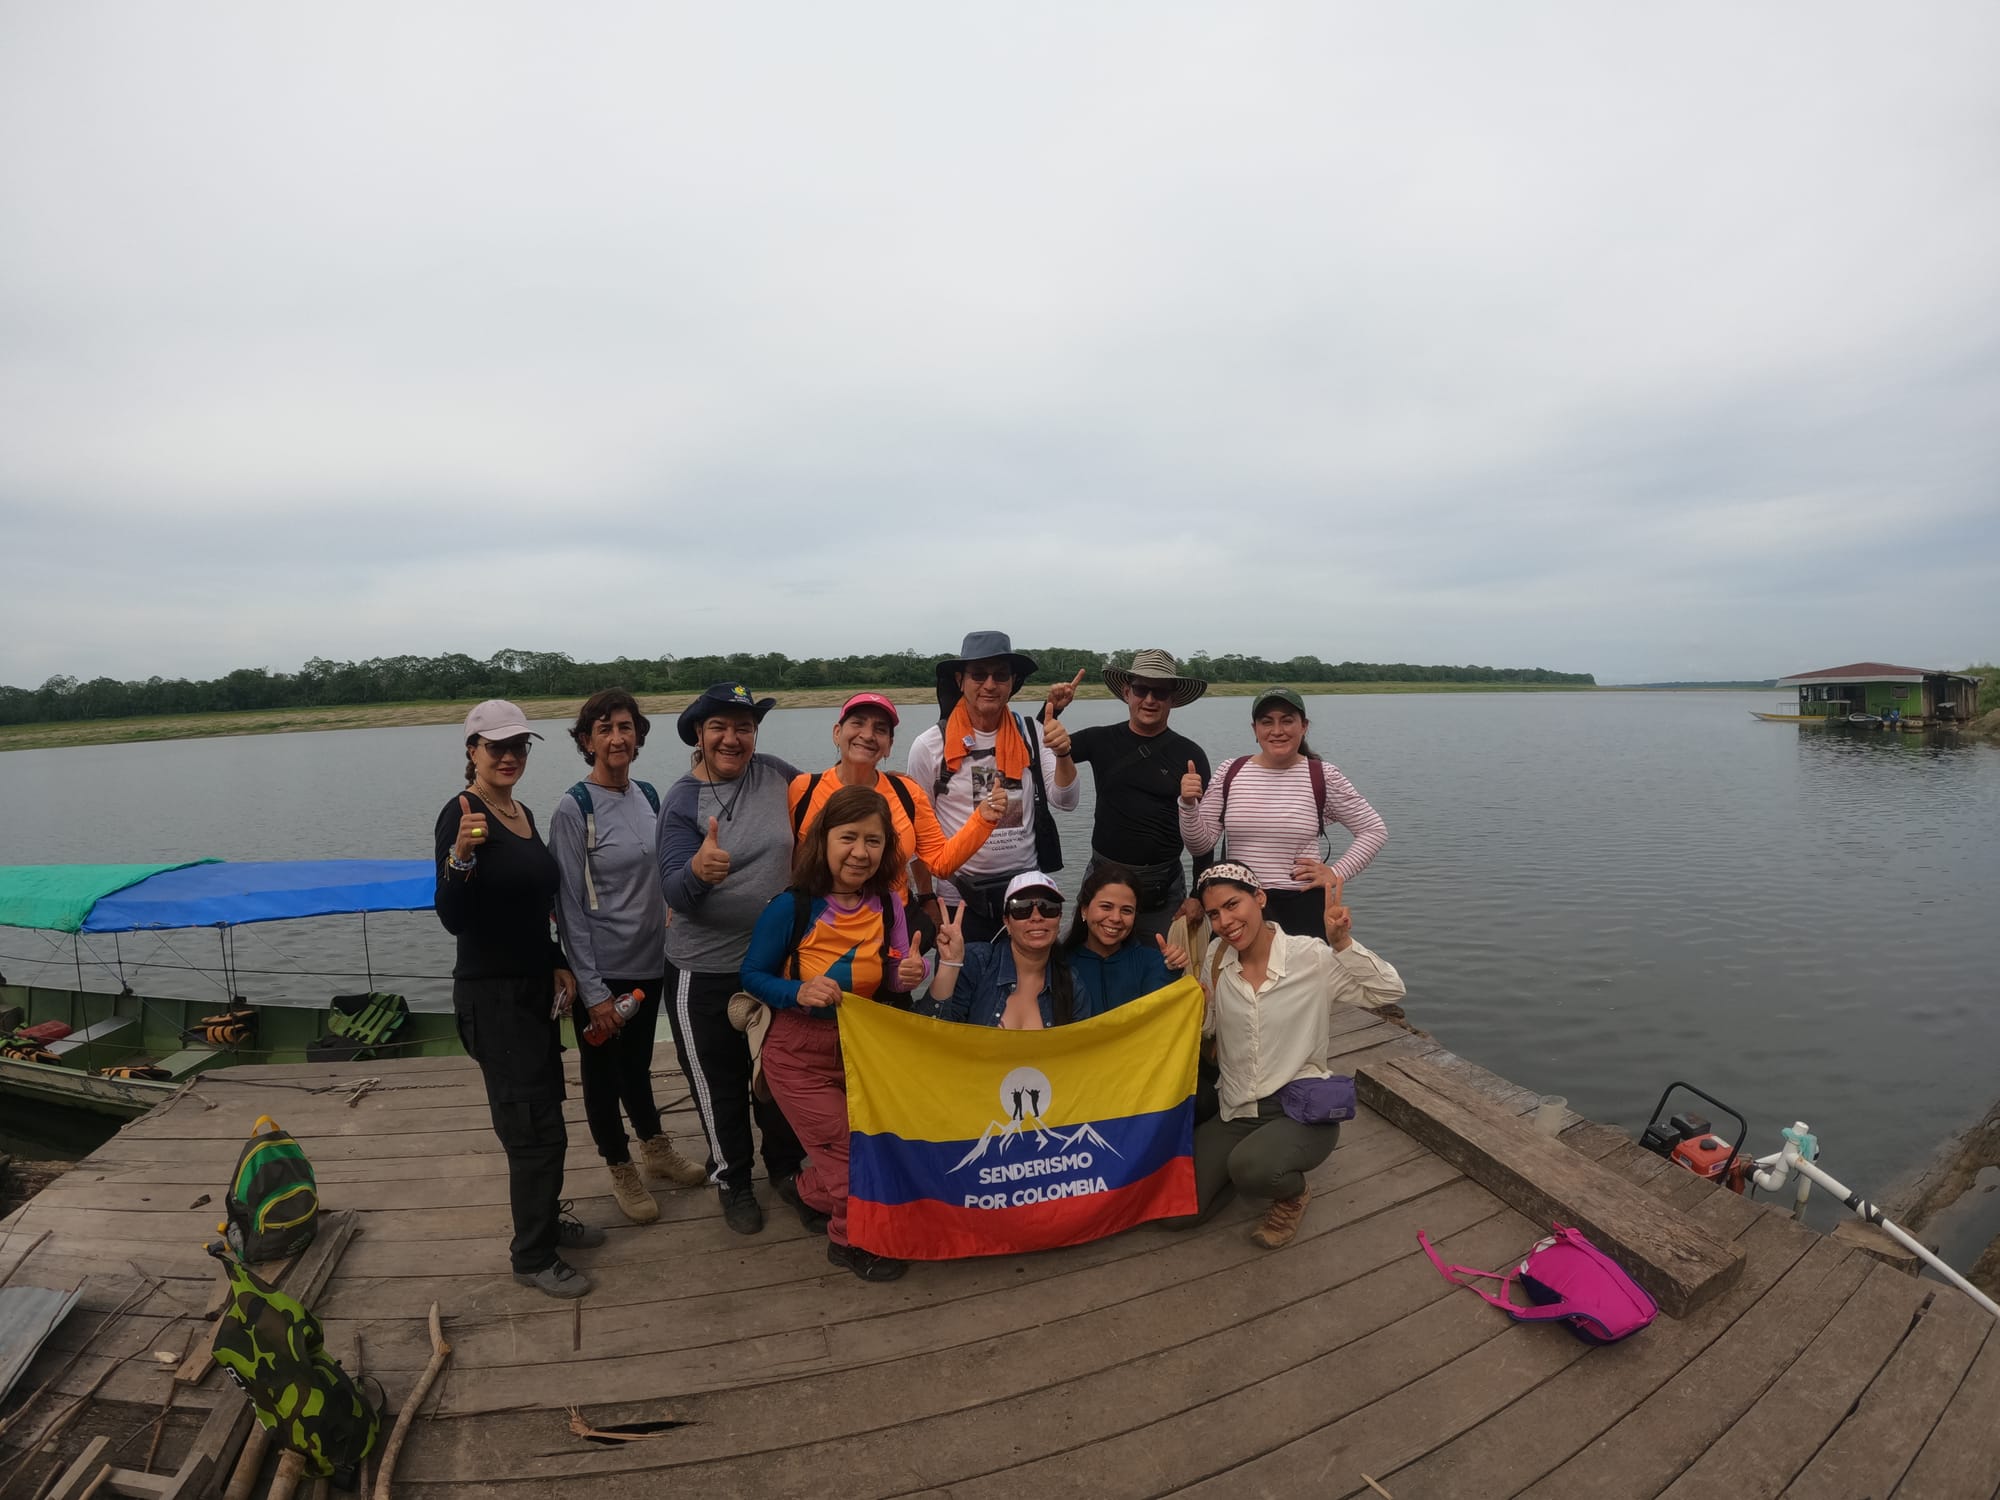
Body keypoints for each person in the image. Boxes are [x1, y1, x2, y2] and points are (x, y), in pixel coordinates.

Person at [432, 699, 605, 1299]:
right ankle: (531, 1255)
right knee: (532, 1129)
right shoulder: (461, 813)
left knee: (545, 1113)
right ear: (472, 751)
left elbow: (532, 910)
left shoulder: (521, 812)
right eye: (495, 747)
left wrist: (556, 960)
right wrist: (460, 858)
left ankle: (545, 1220)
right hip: (493, 998)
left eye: (518, 746)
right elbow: (454, 919)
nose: (508, 756)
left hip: (532, 993)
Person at [740, 786, 928, 1282]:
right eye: (849, 837)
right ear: (823, 839)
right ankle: (851, 1241)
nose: (860, 852)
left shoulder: (888, 903)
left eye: (873, 840)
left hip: (859, 1049)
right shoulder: (792, 907)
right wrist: (797, 991)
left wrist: (911, 973)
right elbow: (752, 975)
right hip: (797, 1053)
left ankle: (806, 1189)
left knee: (873, 1146)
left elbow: (893, 975)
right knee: (848, 1153)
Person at [550, 689, 710, 1228]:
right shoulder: (575, 807)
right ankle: (619, 1165)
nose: (617, 738)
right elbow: (569, 904)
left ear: (638, 735)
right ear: (586, 740)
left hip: (652, 962)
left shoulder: (648, 794)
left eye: (625, 727)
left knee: (637, 1065)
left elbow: (664, 871)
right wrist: (592, 989)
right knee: (602, 1075)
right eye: (604, 729)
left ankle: (654, 1147)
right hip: (604, 969)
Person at [1165, 862, 1381, 1249]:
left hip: (1299, 1106)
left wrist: (1343, 944)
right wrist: (1186, 990)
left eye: (1233, 905)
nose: (1225, 922)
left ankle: (1291, 1193)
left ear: (1260, 898)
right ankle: (1242, 1167)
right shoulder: (1217, 955)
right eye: (1214, 914)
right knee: (1178, 1213)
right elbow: (1209, 1027)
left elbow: (1387, 991)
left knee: (1252, 1168)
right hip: (1238, 1107)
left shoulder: (1310, 957)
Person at [657, 682, 807, 1235]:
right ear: (698, 735)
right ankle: (733, 1180)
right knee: (719, 1085)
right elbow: (674, 890)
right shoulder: (681, 800)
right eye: (718, 726)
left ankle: (786, 1170)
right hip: (703, 970)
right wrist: (698, 872)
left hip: (772, 968)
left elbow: (831, 807)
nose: (732, 738)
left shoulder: (778, 775)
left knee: (778, 1078)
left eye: (744, 727)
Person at [905, 632, 1082, 944]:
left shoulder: (1032, 733)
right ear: (960, 681)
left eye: (1000, 675)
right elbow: (917, 831)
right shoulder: (930, 746)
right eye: (978, 675)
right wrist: (926, 896)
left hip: (1026, 893)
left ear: (1012, 683)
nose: (989, 684)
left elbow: (1065, 800)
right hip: (958, 897)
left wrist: (1063, 753)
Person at [1178, 687, 1387, 939]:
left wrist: (1335, 873)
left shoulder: (1323, 776)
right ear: (1255, 729)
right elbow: (1200, 844)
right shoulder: (1230, 772)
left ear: (1304, 726)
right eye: (1267, 722)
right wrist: (1188, 805)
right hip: (1239, 903)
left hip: (1300, 905)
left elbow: (1373, 830)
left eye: (1287, 721)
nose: (1277, 731)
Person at [787, 692, 1009, 923]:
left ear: (889, 746)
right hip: (820, 925)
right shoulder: (803, 789)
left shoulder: (907, 793)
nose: (868, 735)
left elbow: (941, 862)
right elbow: (788, 864)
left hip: (892, 924)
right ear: (837, 733)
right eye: (857, 723)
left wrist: (982, 820)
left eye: (880, 729)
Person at [1068, 650, 1214, 943]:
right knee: (1084, 958)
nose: (1149, 700)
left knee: (1164, 965)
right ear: (1127, 693)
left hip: (1162, 890)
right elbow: (1037, 752)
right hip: (1103, 880)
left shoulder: (1190, 755)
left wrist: (1198, 894)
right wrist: (1053, 710)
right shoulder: (1098, 740)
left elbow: (1204, 836)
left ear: (1172, 699)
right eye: (1141, 689)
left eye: (1160, 692)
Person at [924, 872, 1079, 1028]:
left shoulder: (1071, 983)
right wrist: (949, 965)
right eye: (1022, 908)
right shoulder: (977, 963)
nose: (1036, 917)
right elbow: (932, 1031)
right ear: (1007, 922)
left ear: (1059, 917)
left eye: (1048, 907)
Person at [1063, 862, 1189, 1019]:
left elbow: (1158, 1016)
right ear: (1084, 910)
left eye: (1126, 911)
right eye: (1106, 907)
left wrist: (1170, 972)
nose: (1116, 918)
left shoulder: (1153, 962)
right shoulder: (1062, 964)